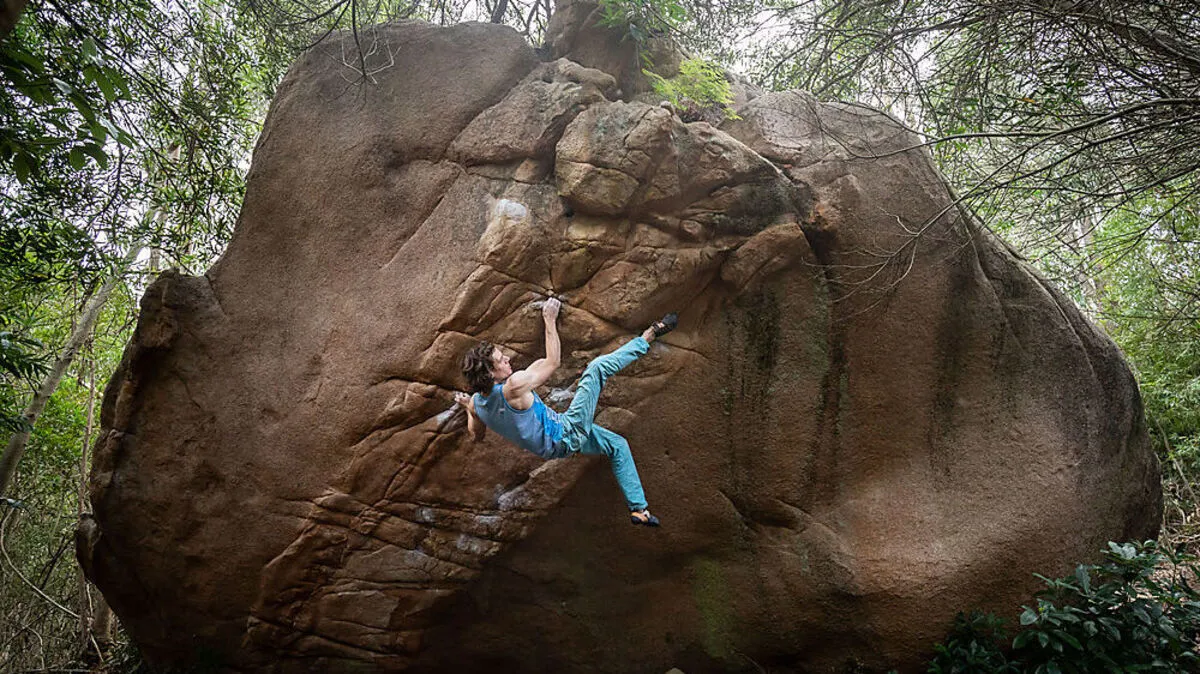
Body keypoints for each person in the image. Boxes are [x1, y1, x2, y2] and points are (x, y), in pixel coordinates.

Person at [455, 298, 678, 526]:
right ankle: (648, 337)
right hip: (566, 432)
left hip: (557, 446)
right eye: (501, 360)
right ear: (491, 373)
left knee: (617, 445)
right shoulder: (513, 387)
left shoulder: (476, 404)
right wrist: (549, 319)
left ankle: (639, 510)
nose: (507, 358)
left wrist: (468, 410)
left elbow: (477, 436)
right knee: (596, 369)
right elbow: (552, 362)